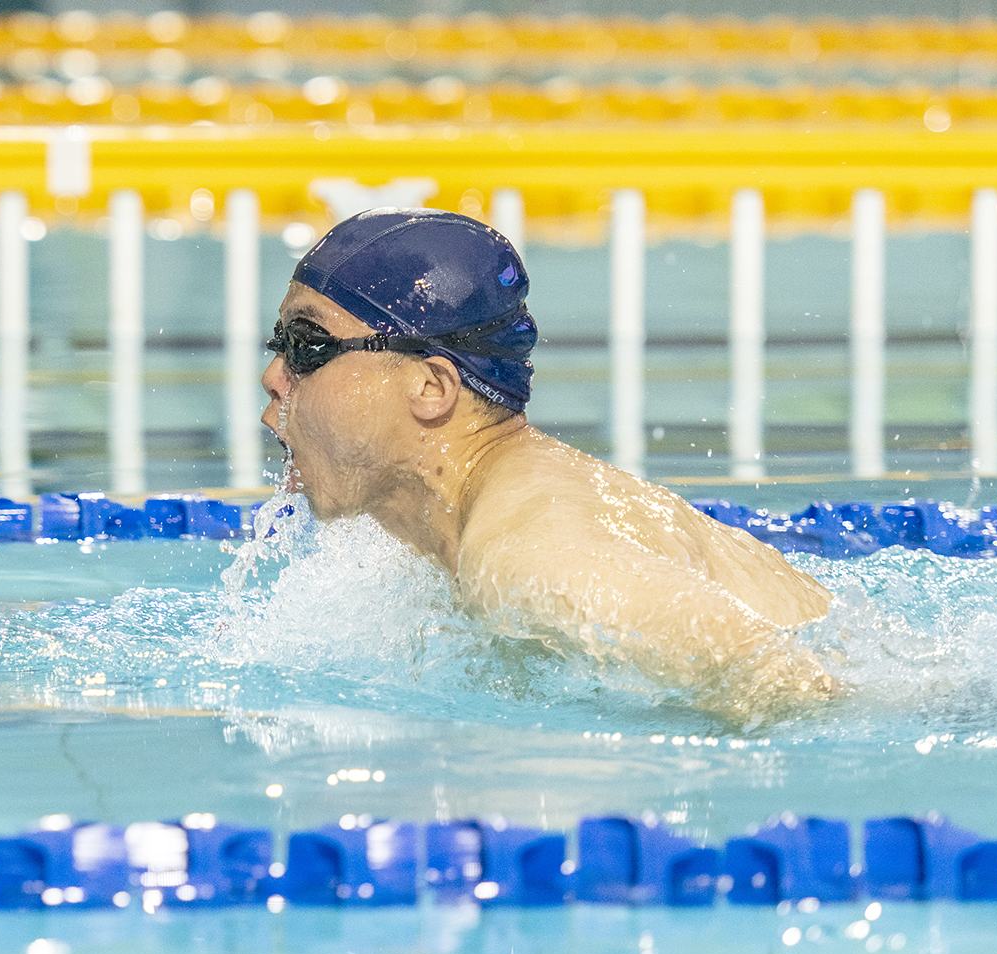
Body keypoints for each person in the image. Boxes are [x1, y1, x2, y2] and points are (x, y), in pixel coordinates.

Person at [259, 207, 836, 722]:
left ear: (432, 387)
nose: (273, 377)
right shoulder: (490, 526)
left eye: (309, 346)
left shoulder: (532, 561)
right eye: (277, 345)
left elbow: (798, 691)